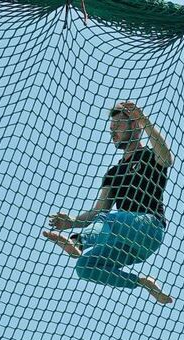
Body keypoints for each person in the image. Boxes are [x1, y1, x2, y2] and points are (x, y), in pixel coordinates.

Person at [44, 100, 175, 304]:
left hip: (149, 228)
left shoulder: (150, 156)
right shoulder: (113, 174)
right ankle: (143, 283)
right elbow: (98, 211)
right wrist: (72, 221)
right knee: (85, 266)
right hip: (130, 247)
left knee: (109, 219)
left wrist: (144, 120)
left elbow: (166, 158)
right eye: (111, 128)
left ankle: (78, 241)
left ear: (135, 126)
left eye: (118, 126)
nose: (112, 132)